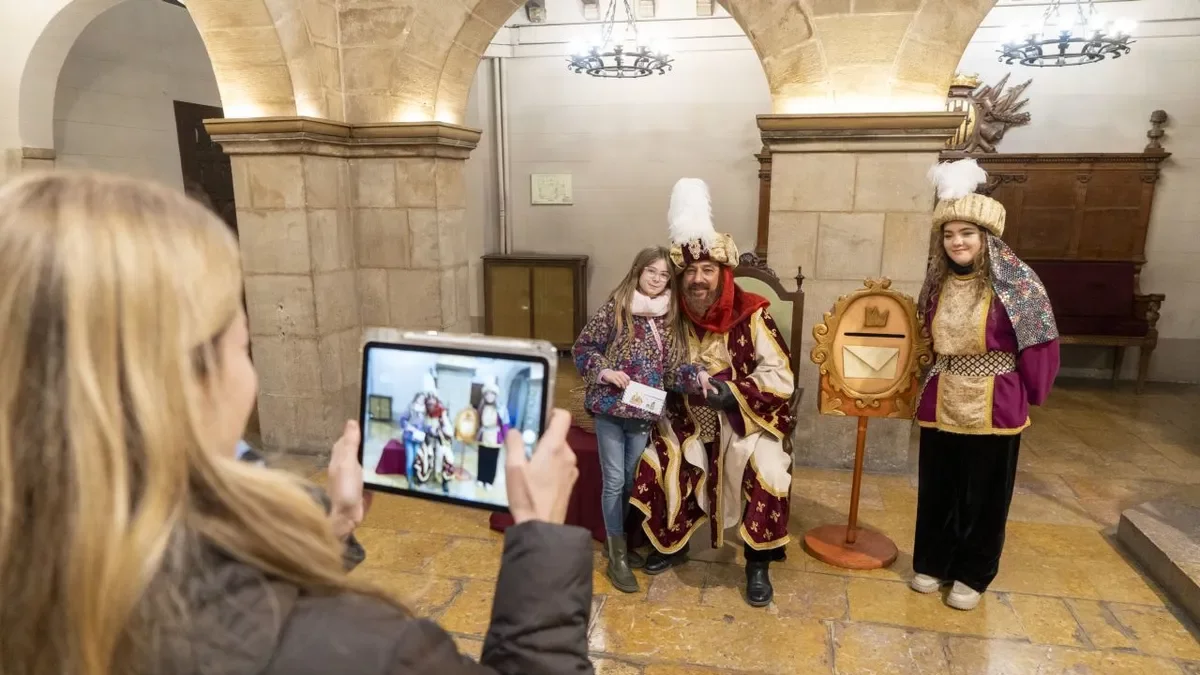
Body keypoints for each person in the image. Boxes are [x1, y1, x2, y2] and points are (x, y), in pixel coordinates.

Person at [0, 170, 595, 675]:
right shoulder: (360, 649)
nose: (251, 375)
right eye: (244, 346)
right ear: (180, 385)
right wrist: (539, 534)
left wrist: (328, 527)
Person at [629, 179, 796, 607]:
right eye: (690, 272)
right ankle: (674, 543)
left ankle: (758, 562)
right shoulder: (667, 315)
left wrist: (732, 393)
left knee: (770, 472)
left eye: (708, 271)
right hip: (684, 418)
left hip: (746, 424)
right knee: (660, 460)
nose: (698, 280)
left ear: (724, 274)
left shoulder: (752, 314)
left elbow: (781, 376)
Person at [912, 159, 1060, 611]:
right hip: (944, 393)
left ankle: (974, 572)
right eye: (950, 234)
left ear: (986, 238)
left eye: (967, 234)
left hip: (996, 400)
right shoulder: (936, 285)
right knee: (938, 484)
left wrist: (1030, 393)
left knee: (985, 492)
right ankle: (933, 560)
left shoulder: (1020, 285)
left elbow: (1040, 345)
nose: (957, 242)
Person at [572, 246, 708, 593]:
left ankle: (622, 542)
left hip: (644, 412)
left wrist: (698, 377)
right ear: (637, 271)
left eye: (664, 275)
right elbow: (584, 348)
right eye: (652, 272)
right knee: (614, 481)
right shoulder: (617, 308)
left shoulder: (669, 318)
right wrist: (605, 372)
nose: (657, 280)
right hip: (610, 408)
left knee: (633, 481)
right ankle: (617, 556)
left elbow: (675, 369)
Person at [475, 376, 510, 491]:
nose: (489, 396)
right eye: (487, 394)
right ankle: (480, 478)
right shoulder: (481, 407)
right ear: (485, 396)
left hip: (495, 437)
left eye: (492, 394)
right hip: (483, 436)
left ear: (495, 395)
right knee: (482, 458)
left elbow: (505, 424)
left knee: (492, 460)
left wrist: (506, 438)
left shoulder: (501, 408)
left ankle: (489, 481)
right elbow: (478, 422)